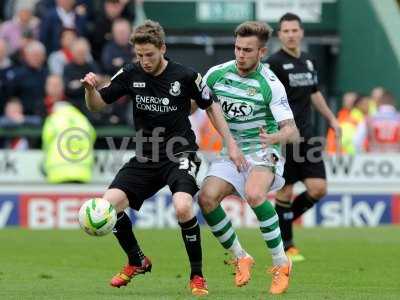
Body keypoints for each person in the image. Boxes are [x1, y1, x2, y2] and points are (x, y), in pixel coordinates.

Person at [80, 20, 245, 296]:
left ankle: (197, 276)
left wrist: (230, 143)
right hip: (146, 156)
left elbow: (211, 105)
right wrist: (90, 90)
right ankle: (137, 260)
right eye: (140, 55)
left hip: (181, 153)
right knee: (108, 206)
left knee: (182, 207)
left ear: (163, 49)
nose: (144, 61)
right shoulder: (131, 72)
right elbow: (97, 105)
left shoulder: (185, 76)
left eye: (150, 55)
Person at [198, 21, 299, 295]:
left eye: (247, 50)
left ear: (262, 52)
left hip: (263, 150)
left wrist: (275, 137)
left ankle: (281, 263)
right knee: (206, 198)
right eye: (237, 48)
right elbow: (195, 103)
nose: (240, 54)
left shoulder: (270, 84)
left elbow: (291, 130)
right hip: (231, 151)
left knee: (255, 195)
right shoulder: (217, 74)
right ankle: (241, 255)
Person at [265, 13, 341, 261]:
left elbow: (315, 93)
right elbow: (267, 98)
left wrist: (331, 118)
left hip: (307, 136)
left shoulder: (309, 61)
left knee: (318, 189)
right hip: (286, 137)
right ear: (279, 35)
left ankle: (278, 223)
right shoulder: (274, 63)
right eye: (285, 31)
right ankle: (287, 245)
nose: (290, 34)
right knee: (285, 192)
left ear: (301, 32)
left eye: (294, 30)